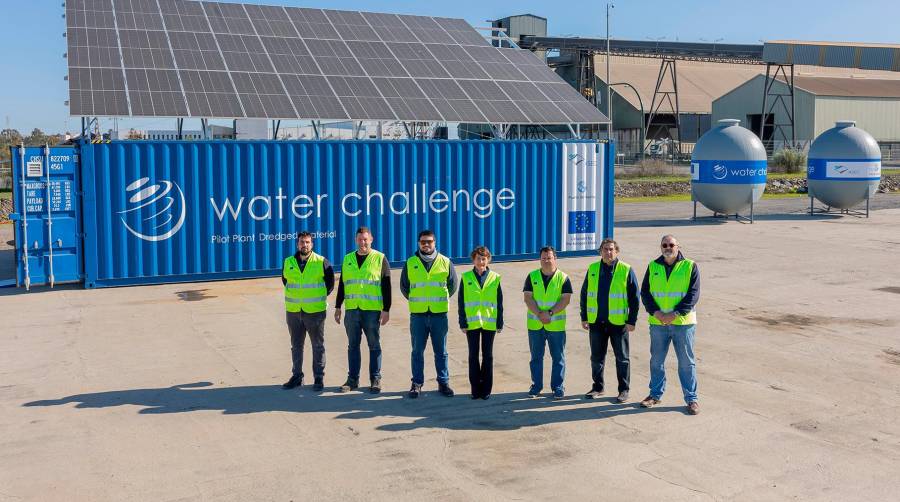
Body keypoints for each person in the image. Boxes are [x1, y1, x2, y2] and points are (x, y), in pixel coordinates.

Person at [639, 234, 701, 415]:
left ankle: (692, 399)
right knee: (656, 362)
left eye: (671, 244)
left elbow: (694, 294)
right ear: (661, 247)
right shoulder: (653, 266)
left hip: (683, 323)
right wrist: (656, 313)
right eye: (664, 245)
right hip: (658, 323)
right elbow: (645, 293)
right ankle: (655, 395)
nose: (668, 247)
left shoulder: (690, 266)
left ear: (678, 246)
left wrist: (675, 314)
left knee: (686, 363)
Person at [580, 238, 640, 403]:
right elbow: (585, 294)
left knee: (622, 358)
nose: (608, 252)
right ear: (601, 251)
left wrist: (631, 320)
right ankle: (598, 387)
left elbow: (634, 298)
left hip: (618, 323)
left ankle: (624, 390)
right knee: (596, 357)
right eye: (605, 249)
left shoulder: (626, 269)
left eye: (611, 249)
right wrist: (584, 317)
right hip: (597, 322)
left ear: (617, 251)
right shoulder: (593, 269)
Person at [400, 229, 458, 398]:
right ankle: (416, 383)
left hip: (439, 315)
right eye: (423, 242)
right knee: (417, 351)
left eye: (429, 241)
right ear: (418, 244)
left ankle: (443, 382)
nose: (426, 245)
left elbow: (453, 286)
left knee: (441, 351)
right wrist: (417, 300)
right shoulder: (410, 262)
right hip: (418, 315)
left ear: (435, 243)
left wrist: (439, 299)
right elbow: (405, 287)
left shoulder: (445, 262)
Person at [334, 227, 391, 394]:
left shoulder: (380, 258)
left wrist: (386, 309)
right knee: (353, 346)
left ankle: (375, 379)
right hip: (352, 310)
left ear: (371, 239)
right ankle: (352, 380)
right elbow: (343, 284)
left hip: (372, 311)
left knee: (374, 345)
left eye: (365, 239)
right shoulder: (348, 259)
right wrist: (338, 306)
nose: (363, 242)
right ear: (355, 240)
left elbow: (386, 286)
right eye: (360, 239)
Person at [281, 232, 335, 392]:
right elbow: (285, 281)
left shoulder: (321, 262)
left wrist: (316, 298)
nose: (304, 245)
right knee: (296, 345)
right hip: (293, 311)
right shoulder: (288, 262)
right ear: (297, 244)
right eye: (301, 242)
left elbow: (330, 284)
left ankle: (319, 377)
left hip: (315, 312)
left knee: (318, 346)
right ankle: (297, 376)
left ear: (312, 244)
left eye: (307, 242)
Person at [523, 246, 572, 399]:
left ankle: (558, 387)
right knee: (536, 357)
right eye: (543, 257)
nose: (546, 260)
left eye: (549, 257)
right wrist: (539, 313)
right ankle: (536, 386)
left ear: (555, 258)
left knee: (558, 357)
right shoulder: (532, 277)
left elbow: (566, 299)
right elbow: (528, 297)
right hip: (535, 324)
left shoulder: (563, 278)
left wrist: (550, 313)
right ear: (540, 259)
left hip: (555, 325)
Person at [458, 246, 503, 400]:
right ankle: (475, 390)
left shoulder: (495, 277)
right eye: (478, 258)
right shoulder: (466, 277)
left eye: (484, 258)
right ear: (473, 260)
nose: (481, 261)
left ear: (488, 259)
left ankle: (486, 390)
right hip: (472, 323)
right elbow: (461, 301)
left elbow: (499, 302)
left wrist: (500, 322)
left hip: (490, 323)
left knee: (488, 356)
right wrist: (462, 321)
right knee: (473, 356)